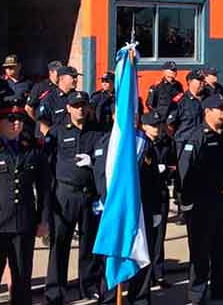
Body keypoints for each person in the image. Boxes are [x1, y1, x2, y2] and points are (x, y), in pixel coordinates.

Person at [178, 94, 223, 304]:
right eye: (220, 109)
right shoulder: (196, 137)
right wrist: (187, 202)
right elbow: (184, 171)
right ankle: (197, 294)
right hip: (204, 203)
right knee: (201, 251)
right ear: (207, 111)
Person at [91, 110, 162, 305]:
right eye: (125, 113)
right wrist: (108, 201)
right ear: (115, 116)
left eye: (135, 114)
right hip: (113, 210)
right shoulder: (106, 143)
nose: (131, 117)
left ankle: (139, 299)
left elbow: (154, 180)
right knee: (111, 255)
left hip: (140, 209)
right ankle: (109, 298)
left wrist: (155, 210)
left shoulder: (144, 144)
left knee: (140, 253)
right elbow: (99, 176)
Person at [44, 91, 104, 304]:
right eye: (75, 105)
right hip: (65, 194)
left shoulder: (97, 133)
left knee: (89, 244)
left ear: (87, 108)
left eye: (82, 105)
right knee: (60, 243)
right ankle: (55, 290)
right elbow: (47, 165)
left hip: (89, 195)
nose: (80, 108)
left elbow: (105, 163)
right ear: (68, 108)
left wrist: (93, 162)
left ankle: (89, 286)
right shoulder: (57, 132)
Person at [0, 102, 49, 305]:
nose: (16, 124)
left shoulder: (33, 149)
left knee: (22, 276)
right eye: (11, 120)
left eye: (19, 120)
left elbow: (44, 188)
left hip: (24, 223)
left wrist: (43, 220)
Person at [142, 109, 176, 289]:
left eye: (158, 125)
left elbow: (173, 164)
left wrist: (168, 170)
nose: (157, 129)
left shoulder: (165, 143)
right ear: (144, 126)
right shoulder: (140, 144)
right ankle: (145, 274)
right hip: (145, 196)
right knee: (146, 237)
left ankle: (158, 273)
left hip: (160, 194)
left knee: (159, 237)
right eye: (153, 126)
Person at [37, 65, 80, 135]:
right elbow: (43, 125)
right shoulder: (49, 98)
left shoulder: (78, 97)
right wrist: (52, 140)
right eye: (73, 77)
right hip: (58, 141)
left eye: (76, 77)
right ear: (62, 78)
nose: (76, 80)